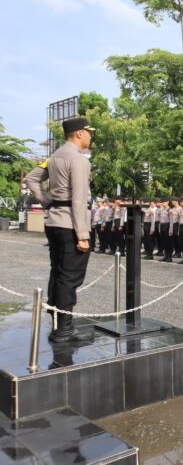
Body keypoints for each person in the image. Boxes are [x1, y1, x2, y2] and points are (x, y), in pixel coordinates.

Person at [25, 117, 96, 343]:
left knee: (57, 273)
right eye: (88, 132)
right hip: (71, 225)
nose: (90, 136)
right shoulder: (79, 160)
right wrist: (83, 235)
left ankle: (57, 323)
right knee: (69, 278)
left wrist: (47, 201)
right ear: (78, 134)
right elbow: (78, 200)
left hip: (54, 222)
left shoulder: (54, 157)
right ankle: (64, 330)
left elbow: (31, 178)